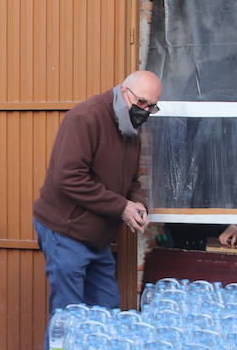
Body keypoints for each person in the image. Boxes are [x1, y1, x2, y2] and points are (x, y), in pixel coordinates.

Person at [32, 71, 162, 316]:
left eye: (151, 107)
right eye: (141, 102)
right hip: (65, 230)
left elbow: (132, 181)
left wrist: (137, 203)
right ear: (125, 92)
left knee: (107, 313)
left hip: (98, 237)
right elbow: (68, 178)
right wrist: (121, 207)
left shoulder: (132, 127)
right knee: (68, 316)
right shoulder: (86, 118)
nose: (144, 110)